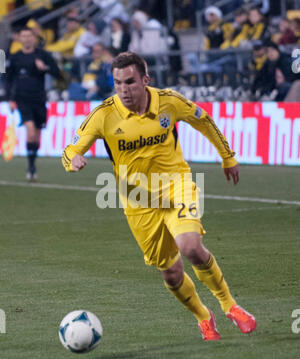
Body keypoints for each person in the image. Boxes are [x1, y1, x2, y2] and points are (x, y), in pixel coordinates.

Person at [62, 52, 256, 341]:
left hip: (176, 186)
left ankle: (230, 305)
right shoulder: (103, 115)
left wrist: (227, 156)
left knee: (190, 247)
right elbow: (70, 149)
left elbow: (203, 120)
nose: (124, 90)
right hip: (138, 203)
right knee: (172, 274)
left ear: (145, 79)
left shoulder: (169, 101)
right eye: (118, 83)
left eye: (130, 82)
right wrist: (73, 161)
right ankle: (204, 317)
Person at [5, 27, 61, 181]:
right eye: (24, 36)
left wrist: (45, 68)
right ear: (20, 39)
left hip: (39, 99)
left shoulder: (43, 55)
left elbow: (57, 72)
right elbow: (8, 79)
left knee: (36, 135)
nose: (27, 39)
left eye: (29, 36)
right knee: (30, 131)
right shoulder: (15, 57)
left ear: (34, 38)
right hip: (22, 99)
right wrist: (10, 98)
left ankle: (32, 163)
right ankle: (30, 167)